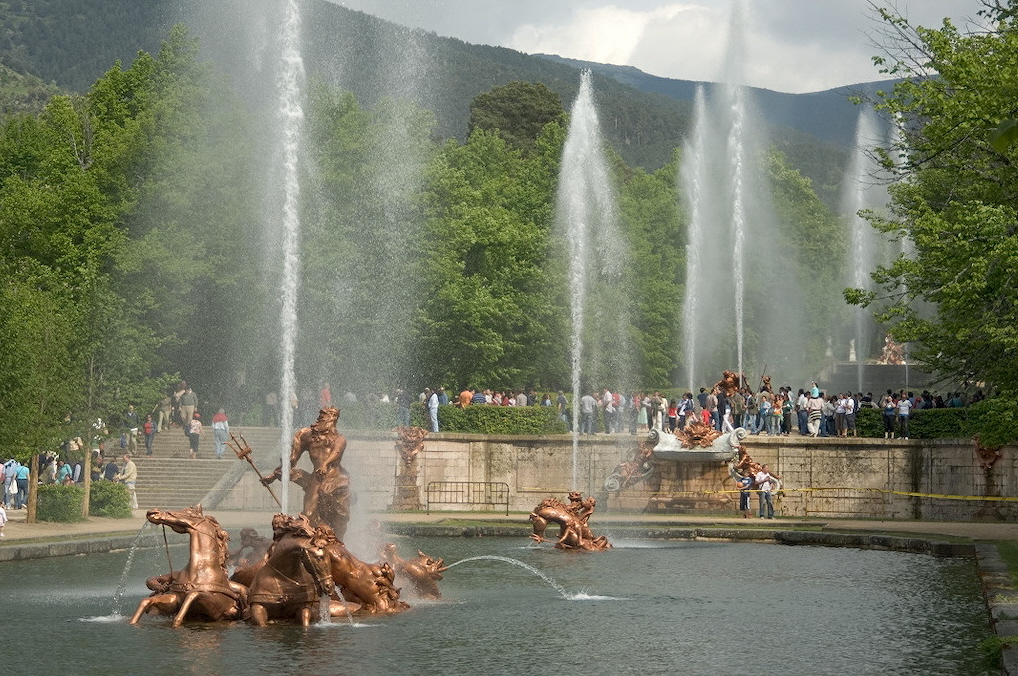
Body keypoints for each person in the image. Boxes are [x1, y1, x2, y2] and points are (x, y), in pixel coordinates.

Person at [263, 406, 350, 540]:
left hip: (336, 480)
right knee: (308, 514)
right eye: (320, 415)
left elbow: (336, 452)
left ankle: (337, 544)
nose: (320, 417)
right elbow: (292, 460)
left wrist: (325, 464)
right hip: (317, 479)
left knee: (341, 517)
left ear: (333, 419)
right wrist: (274, 476)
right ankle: (313, 540)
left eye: (324, 416)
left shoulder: (340, 439)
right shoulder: (308, 436)